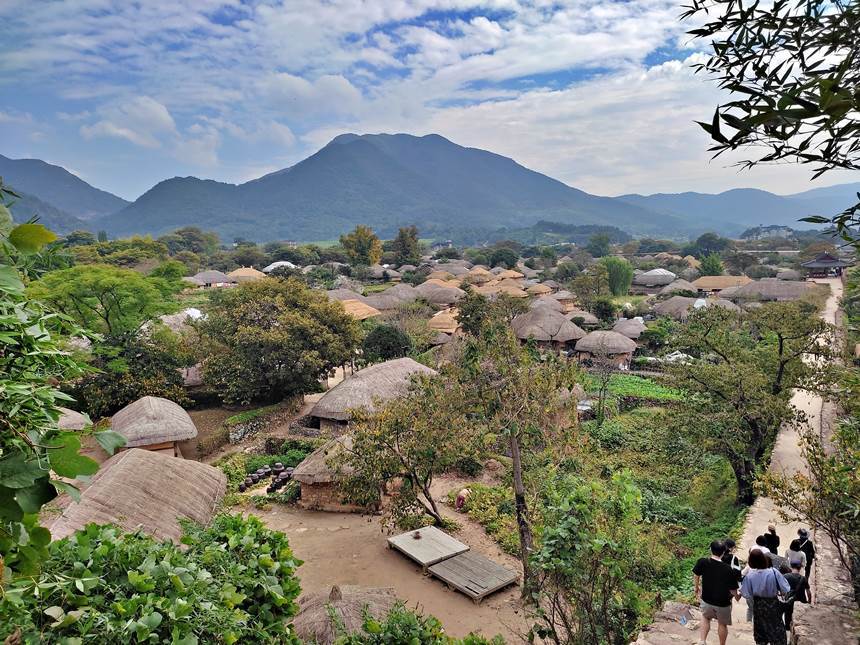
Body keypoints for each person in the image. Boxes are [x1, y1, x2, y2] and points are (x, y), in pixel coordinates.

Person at [693, 540, 740, 645]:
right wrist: (737, 596)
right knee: (722, 624)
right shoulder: (728, 569)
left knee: (705, 617)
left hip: (707, 599)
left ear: (710, 549)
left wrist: (696, 588)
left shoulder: (703, 562)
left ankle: (702, 641)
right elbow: (733, 590)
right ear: (724, 552)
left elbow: (696, 574)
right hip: (723, 602)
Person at [740, 548, 791, 645]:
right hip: (773, 605)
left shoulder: (750, 576)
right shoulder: (774, 572)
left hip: (758, 606)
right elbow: (786, 588)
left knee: (760, 633)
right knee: (777, 632)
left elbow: (746, 594)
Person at [782, 558, 812, 631]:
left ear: (790, 566)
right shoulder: (803, 578)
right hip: (800, 601)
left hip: (789, 602)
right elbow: (808, 592)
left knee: (788, 625)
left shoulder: (786, 576)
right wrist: (809, 601)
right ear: (800, 567)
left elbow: (782, 590)